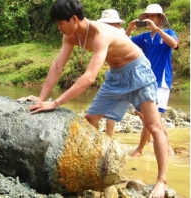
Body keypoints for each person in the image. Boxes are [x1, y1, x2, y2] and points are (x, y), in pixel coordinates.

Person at [19, 0, 169, 197]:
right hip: (115, 75)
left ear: (74, 18)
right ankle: (99, 167)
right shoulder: (70, 36)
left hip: (138, 71)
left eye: (60, 23)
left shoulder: (101, 34)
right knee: (90, 120)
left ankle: (161, 181)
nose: (58, 28)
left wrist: (55, 103)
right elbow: (57, 66)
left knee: (153, 126)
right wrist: (40, 98)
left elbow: (89, 77)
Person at [125, 4, 179, 157]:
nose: (149, 19)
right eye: (148, 17)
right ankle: (165, 147)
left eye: (153, 16)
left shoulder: (167, 33)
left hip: (161, 82)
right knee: (151, 117)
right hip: (146, 81)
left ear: (160, 18)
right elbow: (125, 43)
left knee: (153, 117)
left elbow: (174, 44)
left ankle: (141, 150)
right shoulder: (144, 37)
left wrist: (158, 30)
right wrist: (128, 29)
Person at [97, 8, 125, 137]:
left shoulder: (121, 36)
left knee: (146, 115)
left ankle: (163, 145)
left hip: (131, 77)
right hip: (115, 76)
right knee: (107, 111)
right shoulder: (105, 36)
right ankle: (108, 139)